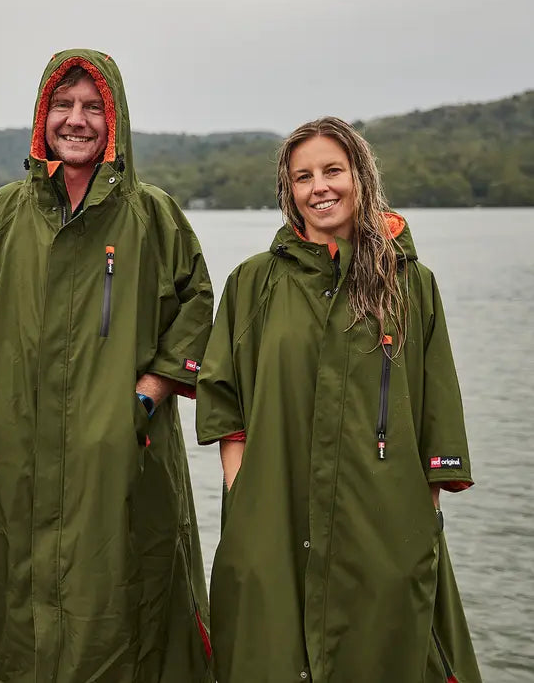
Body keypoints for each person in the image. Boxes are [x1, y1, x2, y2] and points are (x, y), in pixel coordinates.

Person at [0, 49, 215, 682]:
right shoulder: (3, 211)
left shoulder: (152, 215)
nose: (76, 120)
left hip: (121, 448)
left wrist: (144, 395)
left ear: (115, 120)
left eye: (92, 106)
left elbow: (196, 307)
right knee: (23, 599)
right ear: (41, 117)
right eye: (63, 105)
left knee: (118, 599)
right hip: (20, 450)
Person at [196, 117, 481, 682]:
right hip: (271, 509)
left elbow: (437, 409)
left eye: (333, 170)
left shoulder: (409, 283)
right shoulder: (253, 284)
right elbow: (221, 395)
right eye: (303, 177)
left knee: (385, 651)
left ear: (361, 176)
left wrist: (424, 516)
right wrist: (244, 485)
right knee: (267, 651)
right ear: (288, 191)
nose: (319, 187)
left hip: (384, 514)